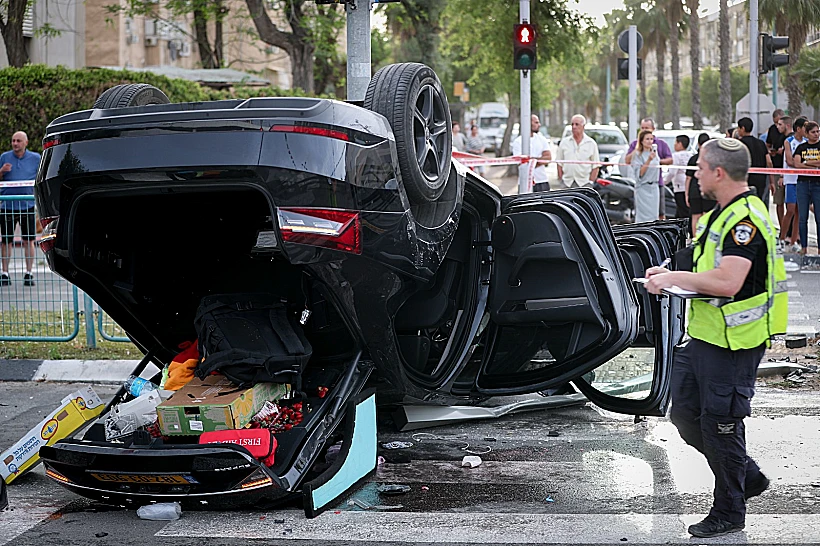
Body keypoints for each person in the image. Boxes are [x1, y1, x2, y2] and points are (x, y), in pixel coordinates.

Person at [645, 137, 787, 538]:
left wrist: (672, 279)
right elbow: (703, 259)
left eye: (701, 169)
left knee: (721, 427)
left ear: (719, 173)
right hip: (707, 337)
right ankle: (747, 476)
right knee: (686, 415)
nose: (697, 175)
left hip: (735, 342)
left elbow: (727, 281)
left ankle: (729, 510)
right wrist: (667, 268)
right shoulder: (721, 214)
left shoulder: (745, 221)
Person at [0, 131, 41, 287]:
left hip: (27, 205)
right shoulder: (4, 157)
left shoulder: (35, 158)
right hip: (8, 206)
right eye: (13, 141)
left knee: (29, 240)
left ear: (26, 143)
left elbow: (40, 177)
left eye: (18, 141)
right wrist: (2, 172)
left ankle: (29, 273)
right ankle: (4, 273)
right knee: (6, 241)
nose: (15, 143)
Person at [625, 118, 673, 219]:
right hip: (643, 186)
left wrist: (657, 161)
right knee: (642, 216)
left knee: (659, 213)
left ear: (653, 129)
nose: (644, 130)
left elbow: (670, 160)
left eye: (647, 128)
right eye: (642, 128)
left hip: (656, 184)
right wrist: (638, 149)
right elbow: (629, 162)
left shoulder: (659, 145)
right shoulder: (635, 147)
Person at [793, 120, 820, 256]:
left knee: (819, 217)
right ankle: (804, 247)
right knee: (803, 217)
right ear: (807, 134)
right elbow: (796, 164)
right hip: (803, 183)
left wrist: (808, 162)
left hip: (817, 184)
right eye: (813, 132)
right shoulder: (801, 148)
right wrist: (814, 165)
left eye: (818, 131)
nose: (816, 134)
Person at [782, 117, 807, 250]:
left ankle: (793, 241)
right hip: (791, 179)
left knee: (799, 211)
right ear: (798, 129)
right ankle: (781, 238)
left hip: (803, 179)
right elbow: (790, 161)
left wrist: (803, 165)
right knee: (790, 209)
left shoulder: (807, 142)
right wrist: (806, 165)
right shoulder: (789, 141)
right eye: (805, 128)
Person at [736, 117, 773, 207]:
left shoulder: (739, 144)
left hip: (745, 180)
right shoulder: (761, 143)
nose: (737, 130)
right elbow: (769, 162)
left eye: (738, 128)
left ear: (743, 128)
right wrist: (772, 182)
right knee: (758, 204)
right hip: (761, 180)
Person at [686, 133, 718, 236]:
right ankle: (705, 236)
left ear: (698, 144)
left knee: (695, 216)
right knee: (706, 215)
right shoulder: (711, 160)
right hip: (707, 191)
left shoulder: (693, 159)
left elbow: (688, 178)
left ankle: (695, 238)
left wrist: (686, 194)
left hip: (693, 191)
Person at [555, 114, 599, 188]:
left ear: (583, 126)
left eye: (577, 124)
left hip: (584, 183)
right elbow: (559, 163)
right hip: (567, 183)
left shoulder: (591, 143)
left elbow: (596, 165)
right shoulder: (564, 142)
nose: (574, 127)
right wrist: (561, 179)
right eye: (572, 124)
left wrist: (590, 182)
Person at [512, 114, 552, 192]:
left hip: (542, 180)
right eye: (536, 122)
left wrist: (531, 161)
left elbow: (548, 158)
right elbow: (521, 162)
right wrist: (539, 160)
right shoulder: (518, 141)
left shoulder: (542, 139)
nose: (539, 125)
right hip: (524, 181)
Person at [630, 130, 660, 223]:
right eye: (647, 139)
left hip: (654, 187)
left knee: (654, 216)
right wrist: (648, 160)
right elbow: (639, 173)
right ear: (642, 141)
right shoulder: (637, 155)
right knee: (643, 217)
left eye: (651, 139)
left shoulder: (655, 154)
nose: (650, 141)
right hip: (643, 188)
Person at [771, 115, 791, 230]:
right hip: (778, 171)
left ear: (787, 125)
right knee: (779, 202)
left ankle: (788, 230)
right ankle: (783, 228)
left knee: (791, 205)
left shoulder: (790, 139)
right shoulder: (779, 137)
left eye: (780, 124)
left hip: (786, 175)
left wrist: (783, 175)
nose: (778, 127)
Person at [666, 134, 693, 218]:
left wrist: (664, 181)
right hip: (690, 186)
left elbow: (672, 172)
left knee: (682, 210)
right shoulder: (691, 155)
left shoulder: (676, 156)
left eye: (676, 142)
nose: (674, 145)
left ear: (680, 144)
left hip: (679, 186)